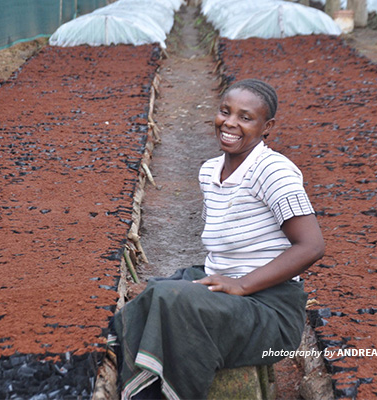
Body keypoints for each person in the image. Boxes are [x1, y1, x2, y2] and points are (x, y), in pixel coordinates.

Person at [108, 79, 325, 400]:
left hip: (269, 312)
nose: (230, 123)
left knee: (173, 299)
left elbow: (312, 246)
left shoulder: (274, 171)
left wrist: (243, 284)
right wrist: (231, 283)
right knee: (154, 292)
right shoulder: (210, 171)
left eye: (245, 117)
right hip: (230, 295)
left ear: (268, 126)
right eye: (225, 112)